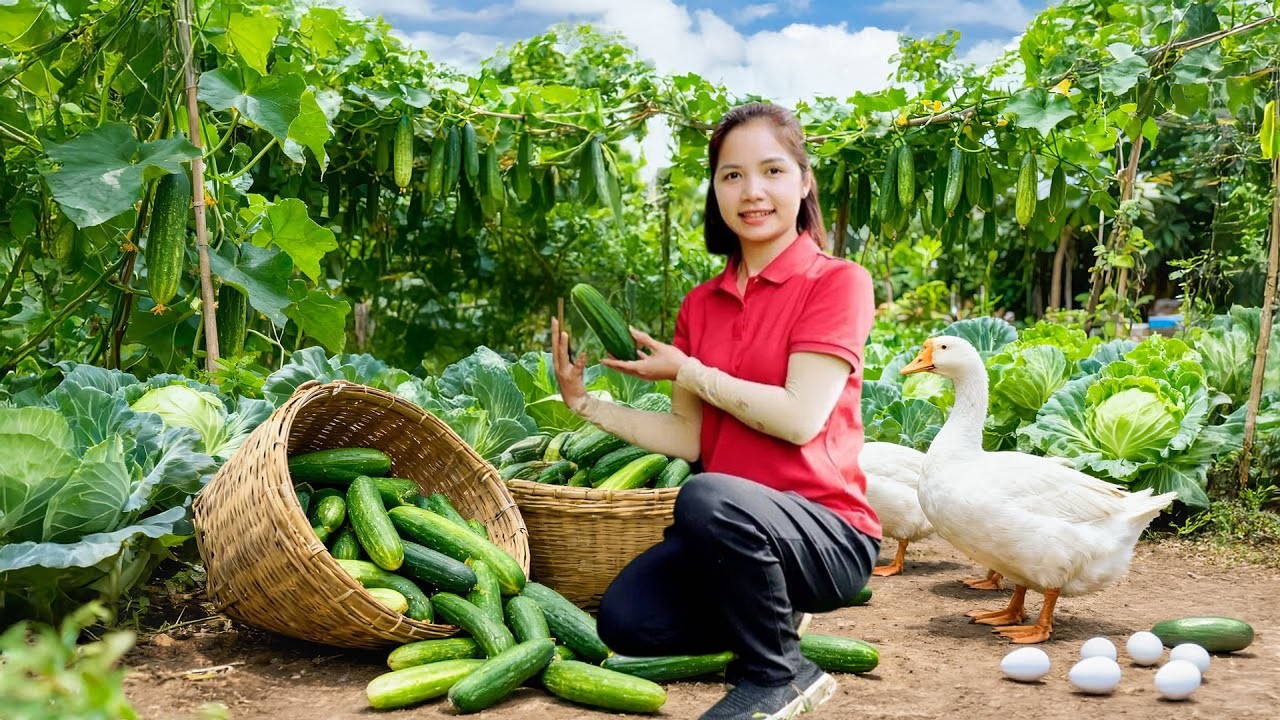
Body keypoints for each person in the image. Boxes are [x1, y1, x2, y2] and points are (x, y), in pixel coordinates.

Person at [550, 102, 881, 720]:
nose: (752, 192)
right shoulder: (701, 305)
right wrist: (584, 404)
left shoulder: (838, 282)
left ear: (804, 181)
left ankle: (780, 675)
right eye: (732, 175)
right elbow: (687, 436)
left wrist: (690, 370)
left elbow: (799, 418)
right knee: (628, 620)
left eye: (772, 171)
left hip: (827, 533)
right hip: (728, 537)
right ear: (716, 190)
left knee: (704, 495)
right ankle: (767, 613)